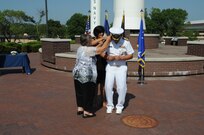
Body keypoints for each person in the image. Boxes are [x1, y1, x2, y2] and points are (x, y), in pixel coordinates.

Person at [72, 34, 111, 118]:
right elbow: (102, 50)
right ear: (88, 41)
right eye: (91, 40)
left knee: (80, 92)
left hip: (77, 73)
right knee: (88, 93)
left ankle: (80, 108)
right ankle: (87, 111)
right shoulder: (89, 50)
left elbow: (94, 48)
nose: (93, 40)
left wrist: (102, 40)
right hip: (87, 75)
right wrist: (108, 39)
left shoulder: (80, 48)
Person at [102, 27, 134, 114]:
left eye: (117, 37)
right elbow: (101, 52)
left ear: (120, 36)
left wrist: (121, 57)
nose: (115, 40)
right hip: (110, 66)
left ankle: (119, 106)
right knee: (108, 86)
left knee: (121, 87)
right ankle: (110, 105)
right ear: (111, 35)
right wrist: (107, 57)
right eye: (114, 37)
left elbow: (131, 55)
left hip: (121, 67)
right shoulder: (107, 42)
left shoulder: (126, 42)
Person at [92, 25, 107, 107]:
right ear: (96, 33)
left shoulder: (105, 41)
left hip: (104, 64)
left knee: (103, 84)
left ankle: (103, 100)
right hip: (95, 65)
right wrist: (100, 41)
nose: (101, 33)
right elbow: (91, 45)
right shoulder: (93, 40)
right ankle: (94, 100)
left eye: (102, 32)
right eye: (100, 32)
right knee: (95, 85)